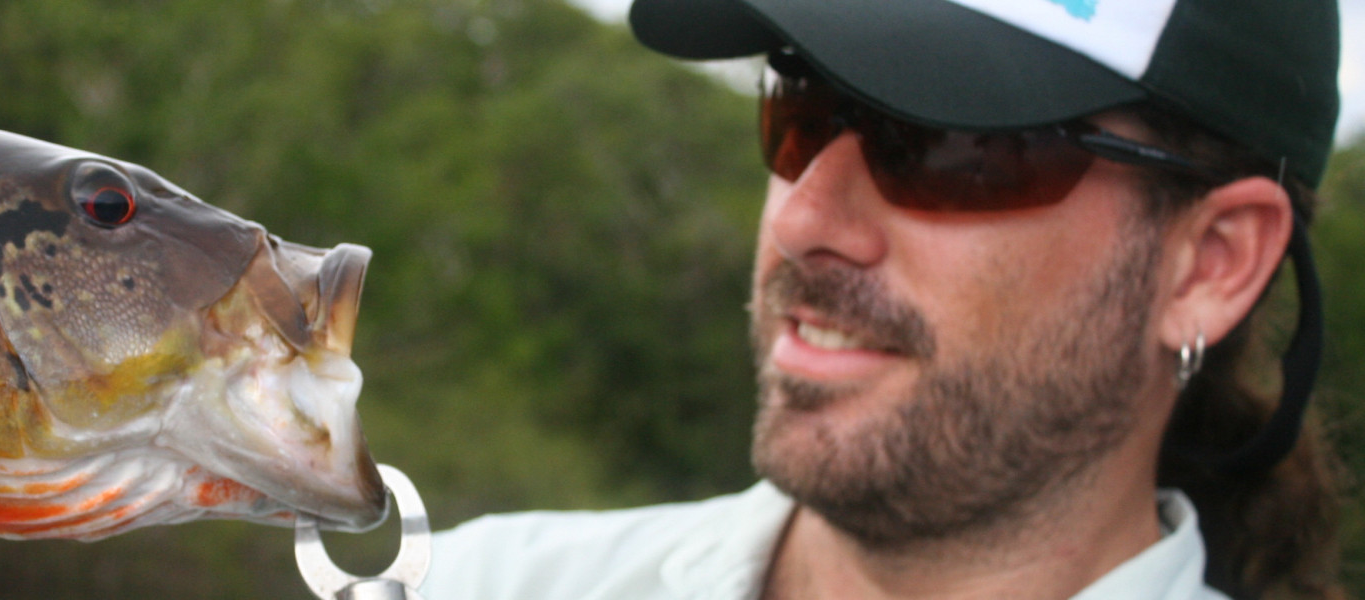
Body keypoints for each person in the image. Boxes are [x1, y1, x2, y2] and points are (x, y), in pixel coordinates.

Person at [421, 0, 1347, 599]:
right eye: (800, 108)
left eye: (948, 146)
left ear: (1210, 266)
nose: (804, 219)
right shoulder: (473, 583)